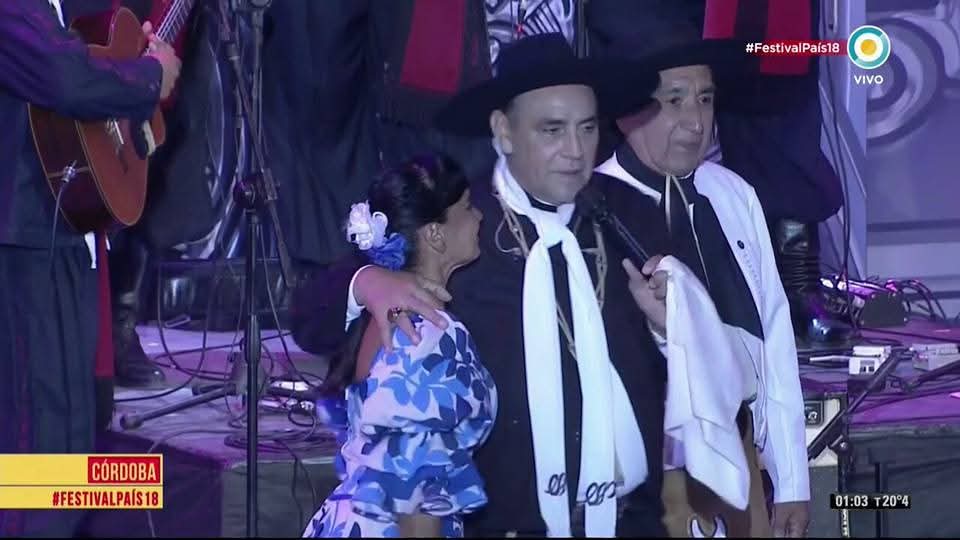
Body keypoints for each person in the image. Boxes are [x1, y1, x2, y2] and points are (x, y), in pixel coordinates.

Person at [291, 33, 713, 537]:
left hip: (630, 522)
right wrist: (367, 281)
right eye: (552, 130)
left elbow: (704, 371)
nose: (575, 151)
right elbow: (310, 318)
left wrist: (670, 329)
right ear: (503, 131)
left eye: (586, 128)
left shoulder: (630, 215)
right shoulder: (461, 227)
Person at [588, 5, 810, 537]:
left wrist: (792, 479)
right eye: (674, 101)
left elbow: (774, 335)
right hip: (654, 474)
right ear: (629, 113)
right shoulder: (595, 207)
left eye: (705, 99)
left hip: (742, 459)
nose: (695, 121)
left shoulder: (732, 193)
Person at [0, 0, 180, 536]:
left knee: (70, 440)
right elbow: (66, 79)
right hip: (24, 248)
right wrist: (150, 76)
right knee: (40, 445)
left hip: (54, 235)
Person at [302, 154, 496, 538]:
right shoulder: (429, 334)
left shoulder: (381, 319)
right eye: (467, 207)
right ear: (435, 234)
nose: (479, 217)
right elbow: (414, 490)